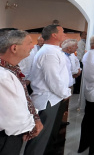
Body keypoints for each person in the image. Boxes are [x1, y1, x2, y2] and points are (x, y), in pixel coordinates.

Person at [24, 25, 71, 155]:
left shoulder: (53, 50)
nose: (65, 34)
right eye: (62, 32)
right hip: (47, 99)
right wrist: (65, 93)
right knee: (40, 140)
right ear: (54, 35)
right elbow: (53, 79)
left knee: (47, 137)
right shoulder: (49, 52)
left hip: (53, 98)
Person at [0, 30, 43, 154]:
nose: (33, 46)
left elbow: (22, 101)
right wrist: (29, 126)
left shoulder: (10, 68)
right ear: (14, 48)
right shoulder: (3, 76)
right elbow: (13, 117)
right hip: (6, 137)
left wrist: (35, 119)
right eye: (29, 43)